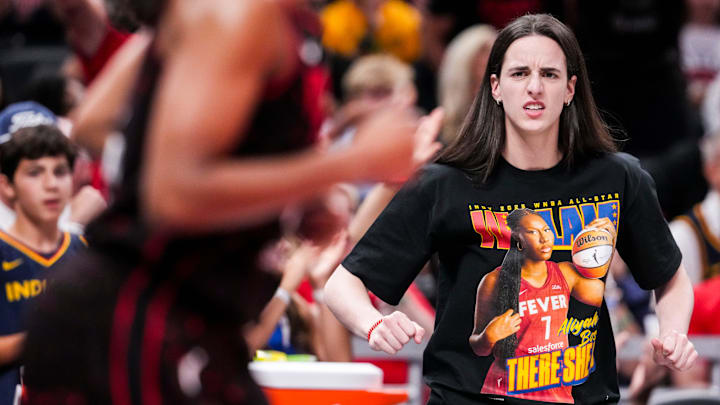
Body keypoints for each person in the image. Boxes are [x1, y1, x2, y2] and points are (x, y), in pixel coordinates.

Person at [19, 0, 426, 404]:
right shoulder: (236, 14)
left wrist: (292, 196)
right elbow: (174, 192)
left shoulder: (229, 16)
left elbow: (94, 123)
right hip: (140, 312)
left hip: (190, 316)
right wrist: (348, 162)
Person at [326, 14, 697, 404]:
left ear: (571, 89)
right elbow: (342, 284)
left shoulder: (618, 178)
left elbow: (669, 276)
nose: (534, 87)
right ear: (496, 87)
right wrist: (374, 325)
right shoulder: (446, 183)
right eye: (520, 73)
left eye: (550, 75)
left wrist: (673, 332)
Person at [470, 209, 609, 402]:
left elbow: (605, 293)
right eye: (534, 232)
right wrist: (488, 336)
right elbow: (477, 346)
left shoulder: (565, 273)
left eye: (546, 230)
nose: (545, 238)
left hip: (556, 390)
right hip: (508, 390)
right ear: (518, 239)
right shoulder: (494, 280)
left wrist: (604, 247)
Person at [0, 125, 86, 405]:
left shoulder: (87, 251)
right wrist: (42, 336)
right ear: (7, 186)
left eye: (60, 171)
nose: (51, 184)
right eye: (35, 173)